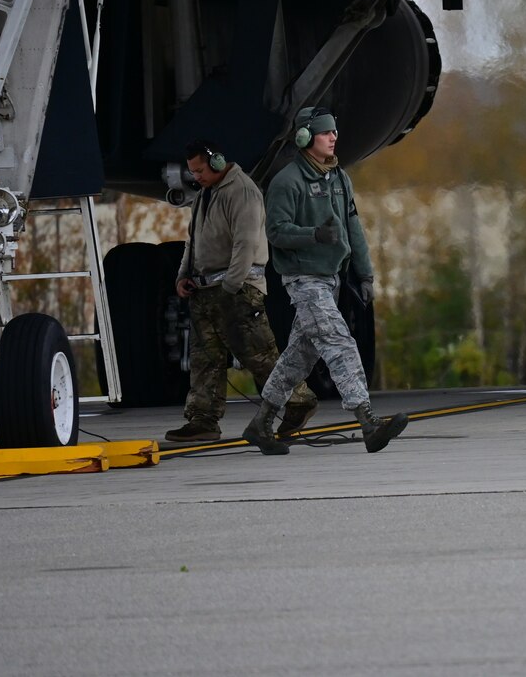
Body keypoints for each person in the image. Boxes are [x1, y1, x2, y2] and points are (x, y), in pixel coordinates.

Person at [242, 107, 407, 456]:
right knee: (338, 340)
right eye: (325, 132)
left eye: (334, 131)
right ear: (304, 138)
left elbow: (353, 229)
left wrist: (364, 273)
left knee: (297, 359)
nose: (333, 137)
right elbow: (275, 231)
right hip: (303, 279)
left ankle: (260, 424)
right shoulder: (287, 182)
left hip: (331, 278)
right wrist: (314, 234)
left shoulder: (339, 179)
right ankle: (368, 423)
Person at [166, 140, 319, 443]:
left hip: (237, 290)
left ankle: (299, 401)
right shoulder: (203, 196)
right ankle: (203, 419)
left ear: (218, 162)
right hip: (205, 289)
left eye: (200, 170)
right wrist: (183, 274)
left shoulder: (243, 192)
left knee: (258, 354)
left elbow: (245, 244)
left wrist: (232, 287)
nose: (196, 177)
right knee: (204, 358)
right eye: (192, 172)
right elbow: (191, 241)